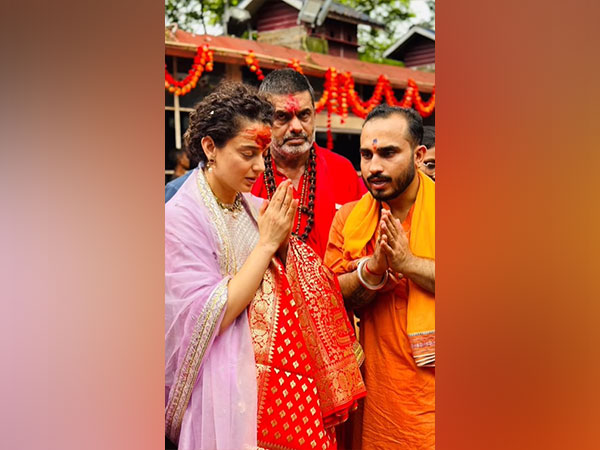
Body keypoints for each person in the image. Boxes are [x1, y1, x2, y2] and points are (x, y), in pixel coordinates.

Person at [165, 81, 366, 450]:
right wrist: (269, 242)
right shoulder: (179, 218)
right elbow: (213, 315)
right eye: (247, 154)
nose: (260, 165)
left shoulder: (251, 207)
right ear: (210, 147)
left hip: (272, 388)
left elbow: (304, 277)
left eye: (261, 153)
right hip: (218, 391)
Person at [324, 105, 435, 449]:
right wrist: (371, 271)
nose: (374, 167)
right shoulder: (350, 218)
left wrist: (408, 263)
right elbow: (331, 294)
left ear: (418, 156)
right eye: (366, 154)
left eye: (388, 153)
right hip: (375, 396)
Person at [252, 68, 366, 259]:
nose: (296, 127)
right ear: (264, 120)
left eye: (304, 115)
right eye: (282, 117)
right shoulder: (248, 174)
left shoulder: (342, 170)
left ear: (313, 114)